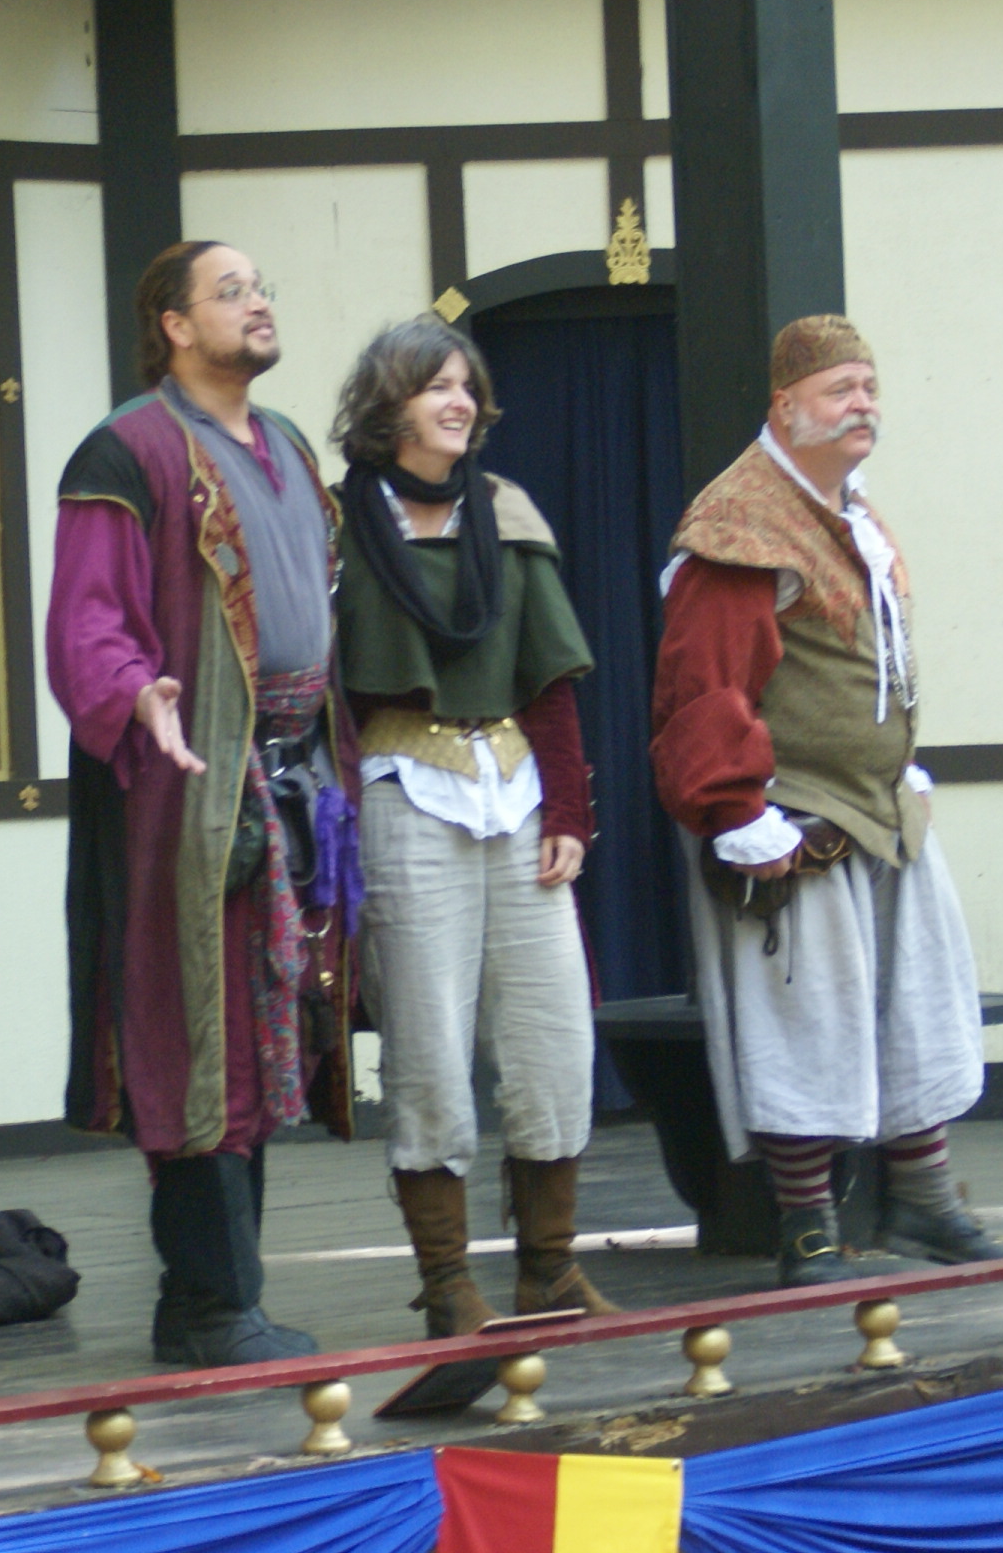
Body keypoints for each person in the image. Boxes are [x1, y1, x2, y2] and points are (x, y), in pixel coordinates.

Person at [46, 240, 358, 1368]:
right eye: (231, 292)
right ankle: (209, 1304)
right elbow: (86, 620)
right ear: (174, 326)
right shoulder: (128, 448)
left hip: (289, 780)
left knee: (266, 1031)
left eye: (261, 287)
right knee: (194, 1033)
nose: (258, 303)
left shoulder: (288, 446)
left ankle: (225, 1300)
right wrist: (139, 694)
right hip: (187, 781)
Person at [648, 315, 1001, 1287]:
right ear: (785, 406)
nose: (862, 406)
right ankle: (806, 1228)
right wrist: (733, 810)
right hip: (790, 816)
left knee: (916, 1002)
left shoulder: (852, 514)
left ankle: (924, 1202)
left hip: (879, 808)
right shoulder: (739, 524)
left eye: (869, 389)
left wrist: (899, 764)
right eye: (840, 390)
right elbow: (702, 685)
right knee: (803, 1020)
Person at [330, 317, 608, 1337]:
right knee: (428, 1048)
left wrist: (569, 808)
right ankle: (448, 1285)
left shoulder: (507, 513)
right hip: (403, 792)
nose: (458, 401)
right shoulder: (338, 526)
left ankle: (550, 1271)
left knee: (553, 1036)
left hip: (516, 792)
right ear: (388, 405)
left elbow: (550, 676)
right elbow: (324, 693)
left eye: (465, 386)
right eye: (434, 386)